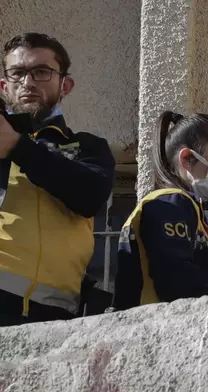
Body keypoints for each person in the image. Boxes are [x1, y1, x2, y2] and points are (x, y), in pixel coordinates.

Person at [0, 33, 115, 325]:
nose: (27, 83)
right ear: (4, 85)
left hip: (56, 314)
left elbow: (89, 196)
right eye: (17, 73)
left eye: (41, 72)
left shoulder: (88, 146)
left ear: (65, 85)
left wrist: (16, 146)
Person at [112, 112, 208, 310]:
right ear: (187, 158)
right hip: (153, 328)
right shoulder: (169, 204)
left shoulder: (189, 209)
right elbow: (177, 278)